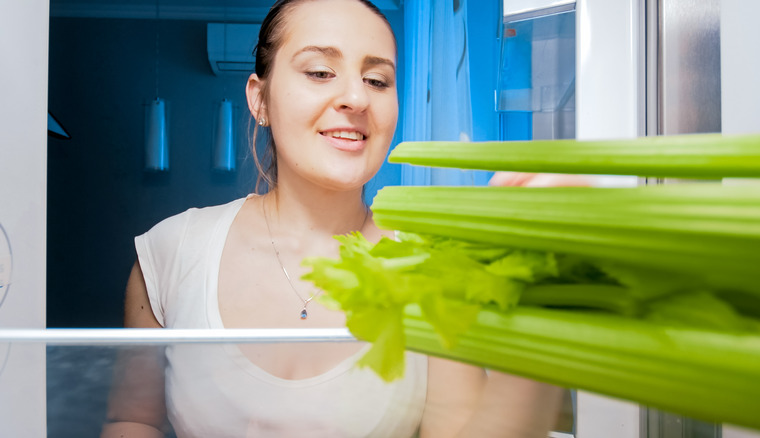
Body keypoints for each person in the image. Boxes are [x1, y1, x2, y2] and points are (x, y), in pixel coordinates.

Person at [101, 0, 564, 436]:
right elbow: (132, 420)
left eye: (378, 80)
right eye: (320, 72)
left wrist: (539, 327)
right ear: (259, 100)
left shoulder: (432, 267)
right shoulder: (171, 252)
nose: (356, 98)